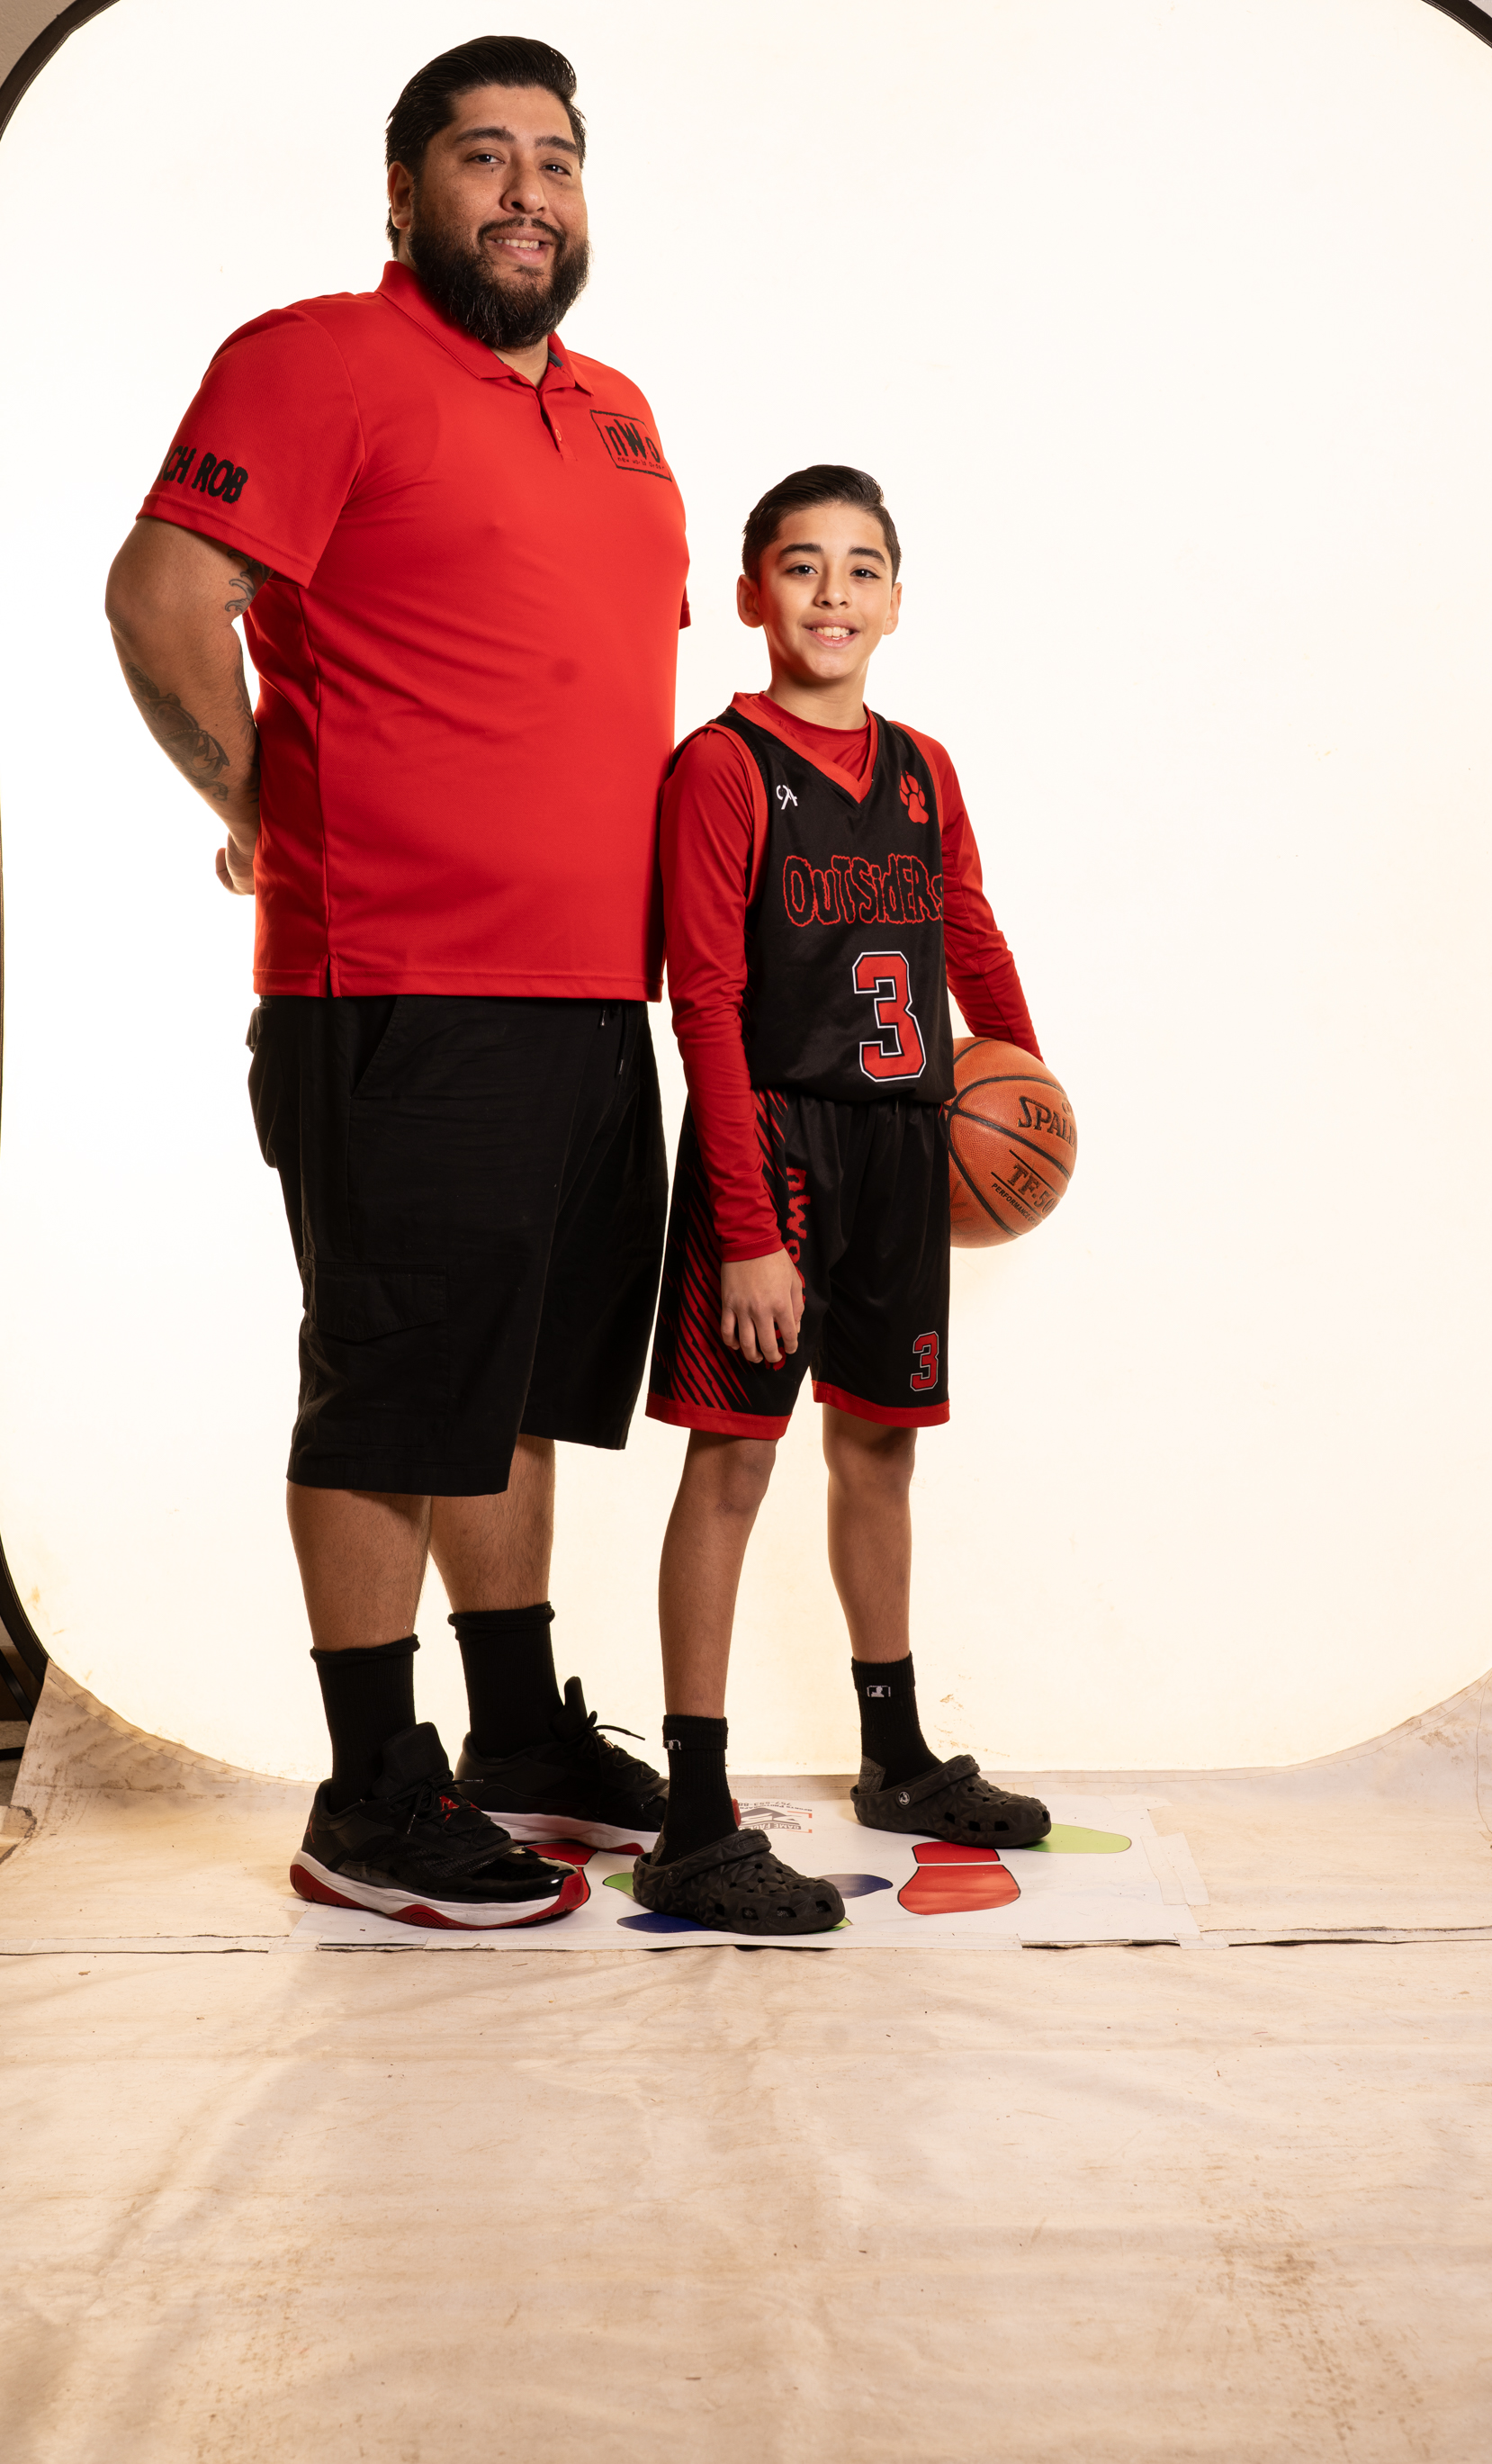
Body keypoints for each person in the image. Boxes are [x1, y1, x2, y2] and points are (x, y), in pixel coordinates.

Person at [103, 36, 683, 1930]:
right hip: (404, 989)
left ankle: (513, 1735)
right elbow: (162, 597)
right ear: (402, 191)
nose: (527, 191)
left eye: (556, 160)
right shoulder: (317, 360)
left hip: (595, 996)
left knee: (510, 1387)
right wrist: (260, 810)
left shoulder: (616, 411)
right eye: (482, 156)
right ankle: (370, 1795)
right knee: (391, 1386)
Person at [638, 464, 1053, 1936]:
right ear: (751, 595)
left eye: (861, 566)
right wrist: (749, 1229)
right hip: (773, 1145)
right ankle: (694, 1811)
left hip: (903, 1145)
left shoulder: (923, 769)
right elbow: (705, 1005)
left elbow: (968, 937)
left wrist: (1028, 1089)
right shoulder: (721, 766)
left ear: (895, 599)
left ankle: (895, 1754)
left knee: (878, 1447)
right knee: (732, 1463)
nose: (832, 592)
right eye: (801, 565)